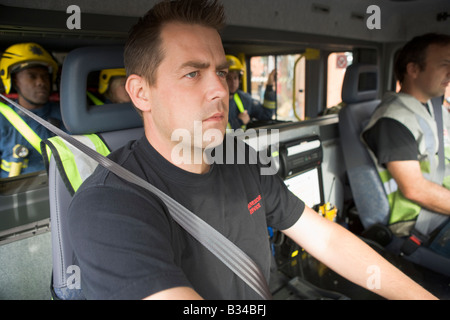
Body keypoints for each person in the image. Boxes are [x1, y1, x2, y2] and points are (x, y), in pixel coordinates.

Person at [68, 0, 436, 300]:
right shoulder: (111, 203)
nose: (220, 90)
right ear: (140, 93)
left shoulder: (239, 157)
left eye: (221, 72)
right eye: (193, 73)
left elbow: (323, 237)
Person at [362, 33, 450, 255]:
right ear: (413, 70)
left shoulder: (432, 108)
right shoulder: (393, 120)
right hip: (424, 226)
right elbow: (415, 189)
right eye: (444, 64)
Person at [0, 42, 65, 178]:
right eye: (32, 76)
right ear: (14, 81)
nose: (41, 82)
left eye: (45, 76)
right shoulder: (2, 120)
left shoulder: (66, 115)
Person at [226, 54, 276, 130]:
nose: (233, 82)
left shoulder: (244, 98)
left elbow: (266, 115)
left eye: (235, 78)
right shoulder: (212, 102)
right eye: (228, 78)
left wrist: (269, 87)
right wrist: (239, 121)